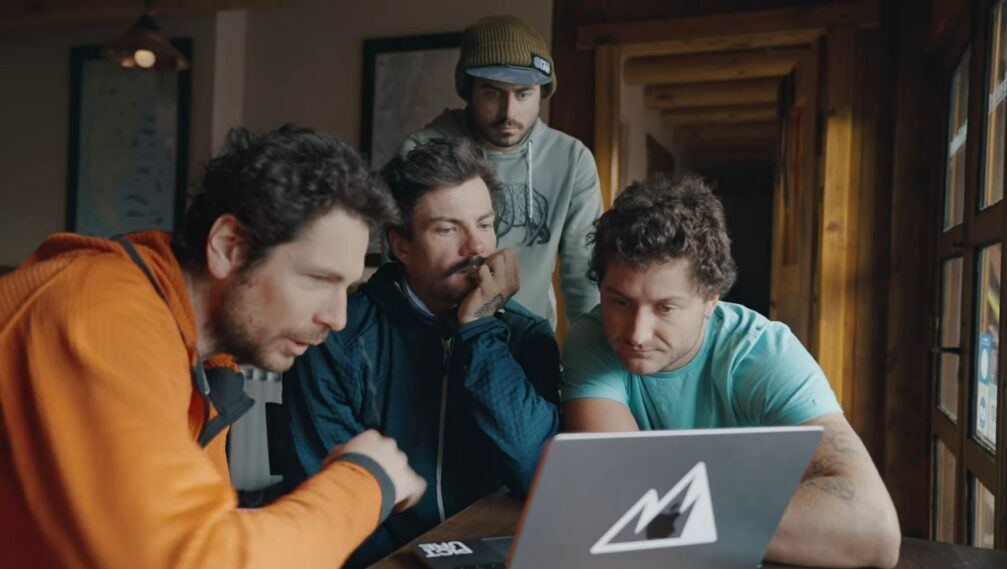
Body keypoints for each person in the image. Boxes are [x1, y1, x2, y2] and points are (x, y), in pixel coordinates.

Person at [0, 125, 426, 568]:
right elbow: (195, 560)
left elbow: (206, 531)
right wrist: (366, 480)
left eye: (348, 287)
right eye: (319, 280)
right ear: (229, 247)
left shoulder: (205, 359)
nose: (337, 318)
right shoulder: (100, 313)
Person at [561, 175, 902, 569]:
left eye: (665, 308)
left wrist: (675, 514)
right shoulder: (592, 337)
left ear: (710, 300)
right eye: (619, 302)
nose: (636, 334)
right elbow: (619, 489)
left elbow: (874, 529)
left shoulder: (762, 352)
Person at [283, 137, 561, 567]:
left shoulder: (526, 335)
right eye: (448, 229)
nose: (477, 249)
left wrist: (481, 329)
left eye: (485, 224)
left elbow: (536, 474)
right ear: (401, 245)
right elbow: (327, 501)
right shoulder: (335, 339)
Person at [400, 15, 602, 329]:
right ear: (468, 90)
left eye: (523, 94)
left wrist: (586, 362)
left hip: (528, 340)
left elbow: (584, 280)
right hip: (430, 339)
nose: (509, 113)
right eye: (493, 93)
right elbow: (397, 264)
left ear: (542, 93)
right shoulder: (422, 149)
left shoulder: (572, 160)